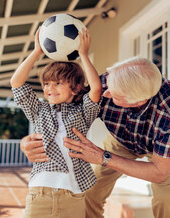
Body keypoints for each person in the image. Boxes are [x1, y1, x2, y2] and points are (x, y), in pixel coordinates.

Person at [21, 57, 170, 218]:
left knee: (165, 201)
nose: (106, 94)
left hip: (161, 151)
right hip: (121, 141)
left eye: (115, 96)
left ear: (138, 101)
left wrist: (103, 157)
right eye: (108, 86)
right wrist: (28, 142)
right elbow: (62, 113)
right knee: (91, 192)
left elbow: (159, 172)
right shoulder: (104, 85)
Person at [11, 27, 102, 218]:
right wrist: (36, 52)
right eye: (46, 84)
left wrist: (83, 55)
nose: (50, 88)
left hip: (73, 194)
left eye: (58, 83)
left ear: (76, 88)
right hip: (39, 193)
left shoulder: (82, 112)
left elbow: (95, 89)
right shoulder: (39, 111)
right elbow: (17, 83)